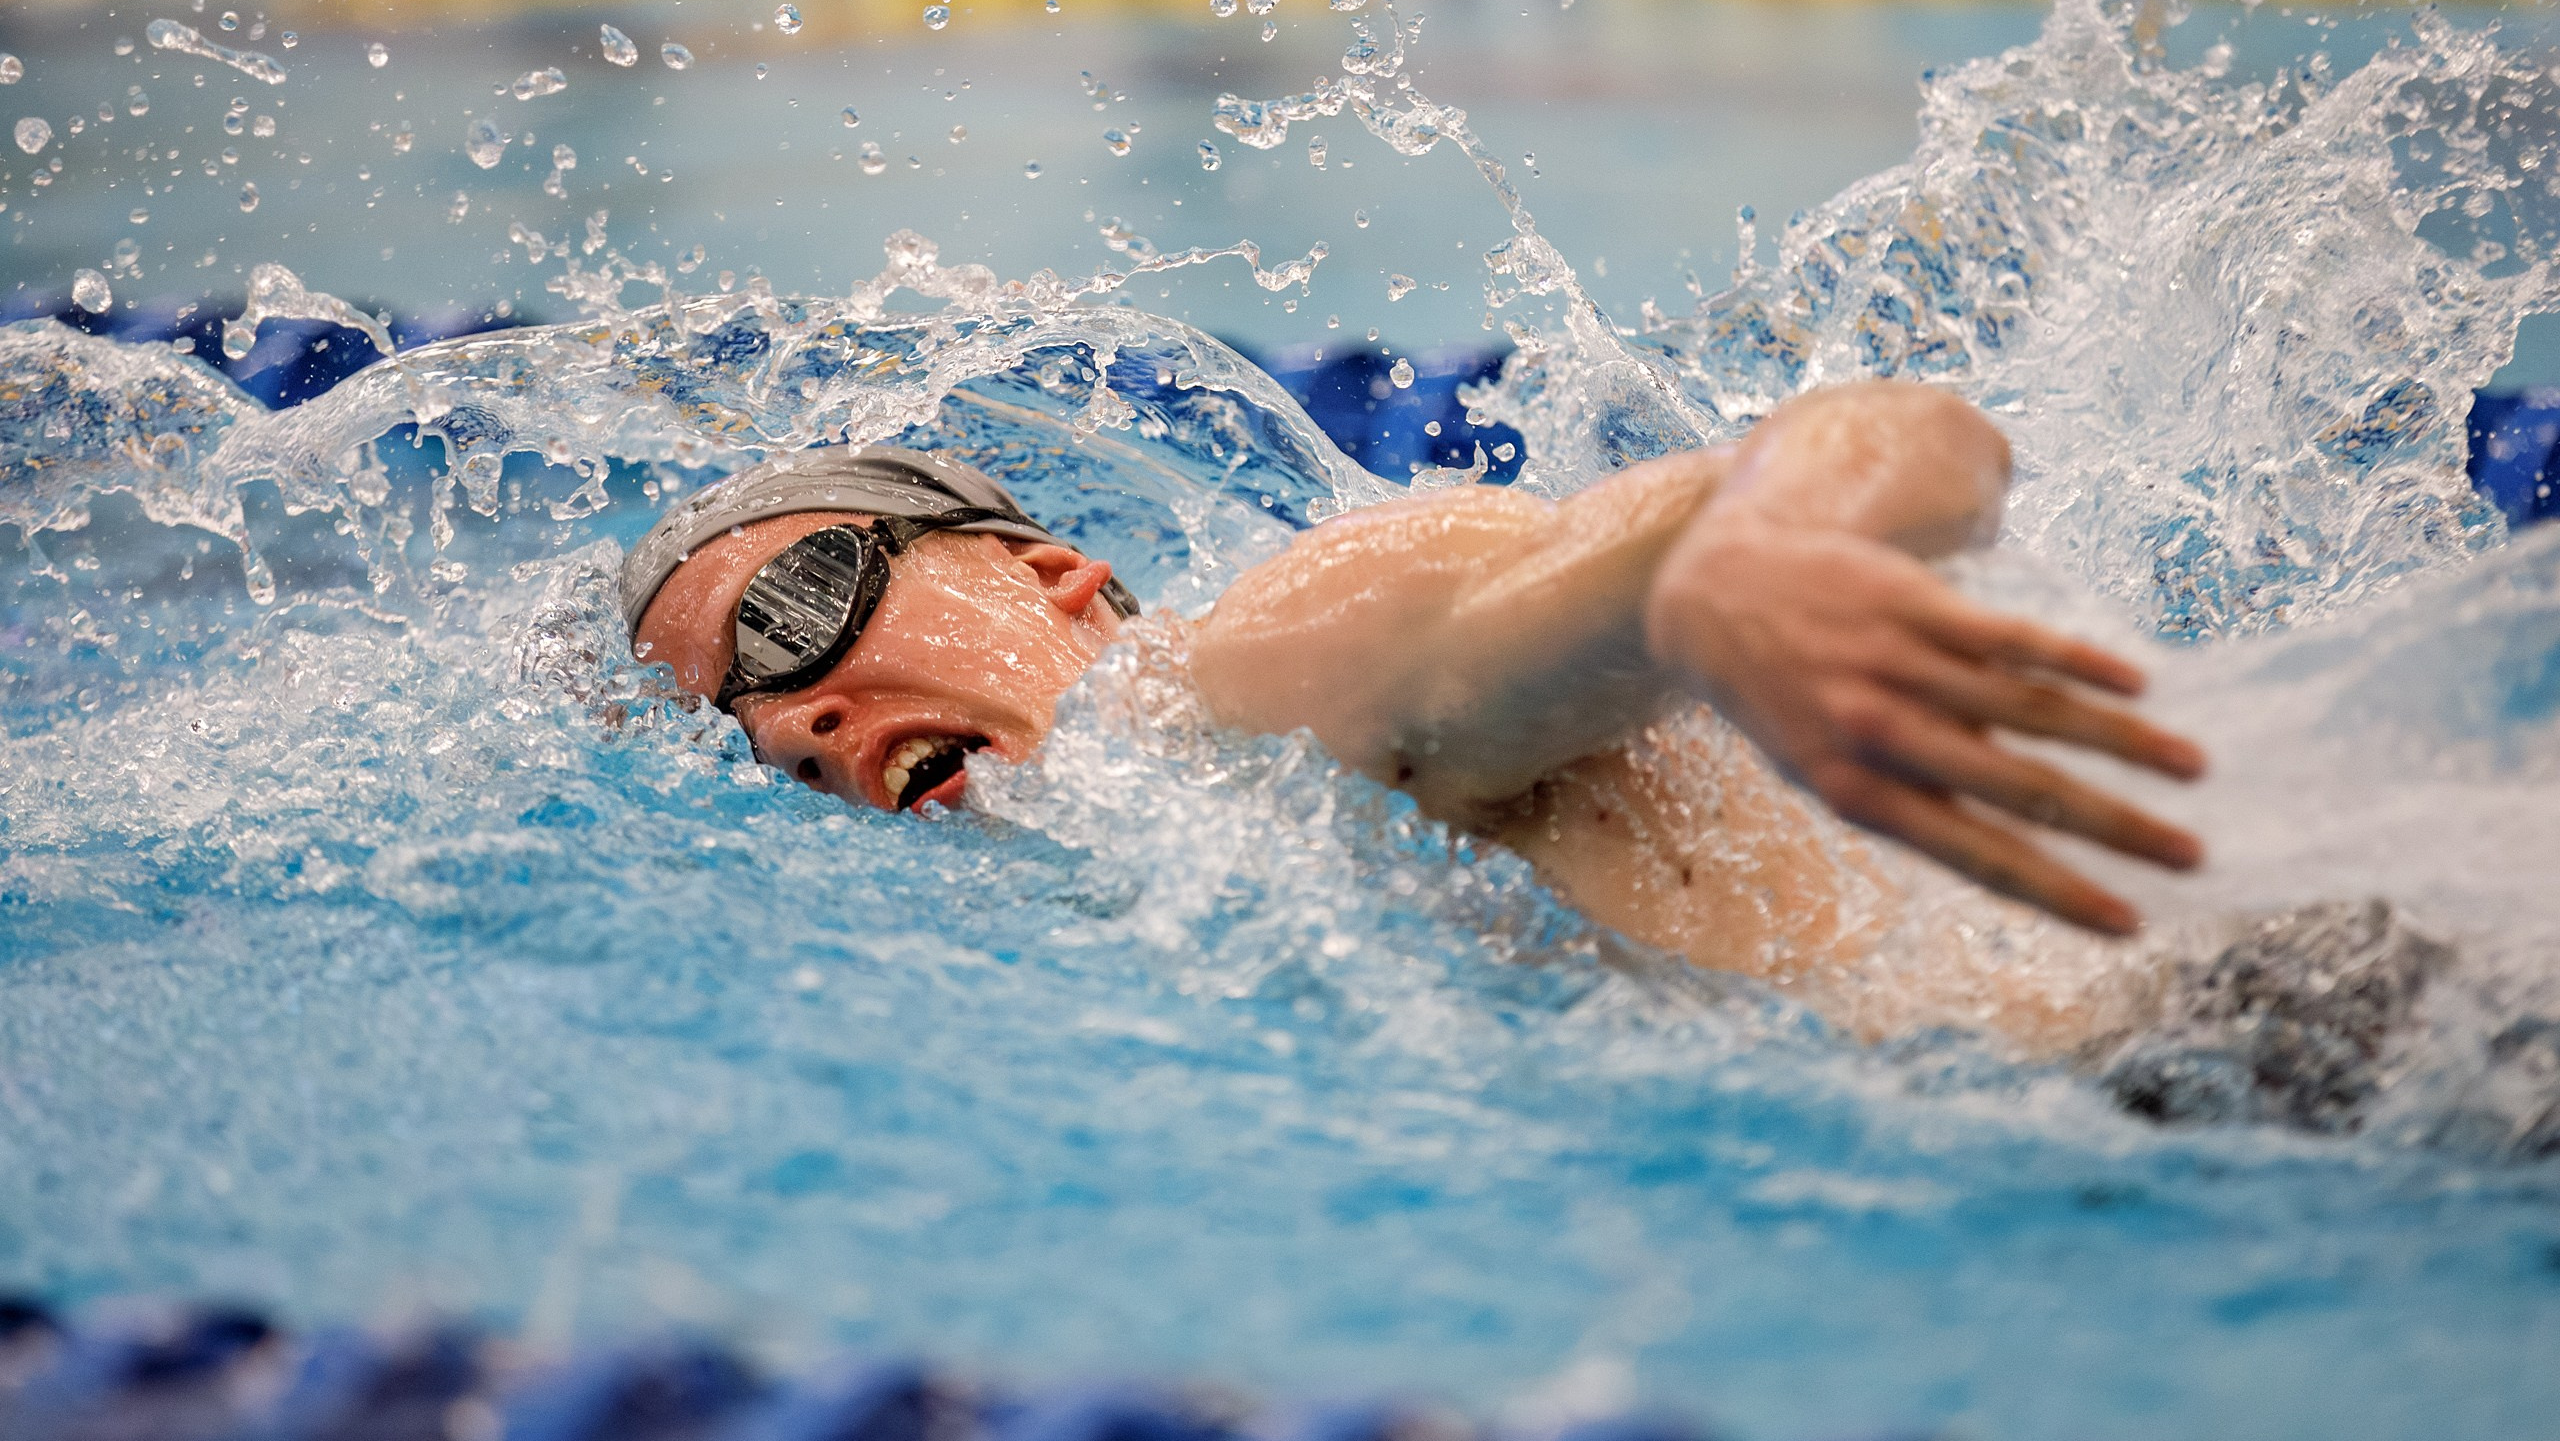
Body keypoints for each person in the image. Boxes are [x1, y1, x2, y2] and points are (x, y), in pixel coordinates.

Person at [621, 381, 2209, 1052]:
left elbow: (1908, 434)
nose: (794, 718)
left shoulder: (1245, 680)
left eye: (793, 610)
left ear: (1049, 575)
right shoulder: (1138, 899)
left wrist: (1759, 544)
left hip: (2232, 1060)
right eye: (736, 725)